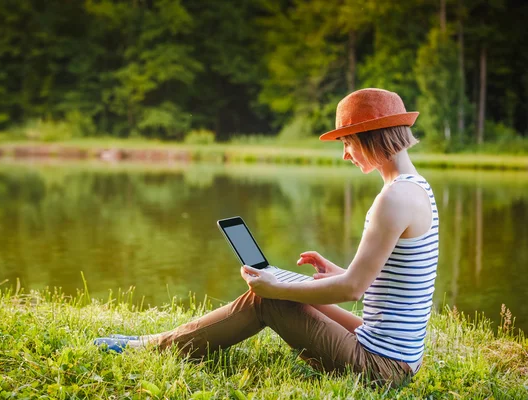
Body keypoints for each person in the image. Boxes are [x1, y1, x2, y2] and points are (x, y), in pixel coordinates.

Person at [94, 88, 439, 387]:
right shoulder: (416, 188)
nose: (345, 154)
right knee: (288, 289)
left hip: (383, 367)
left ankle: (153, 346)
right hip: (392, 351)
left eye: (347, 142)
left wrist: (279, 289)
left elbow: (353, 290)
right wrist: (333, 271)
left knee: (268, 299)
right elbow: (386, 277)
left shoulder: (392, 199)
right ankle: (155, 340)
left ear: (370, 137)